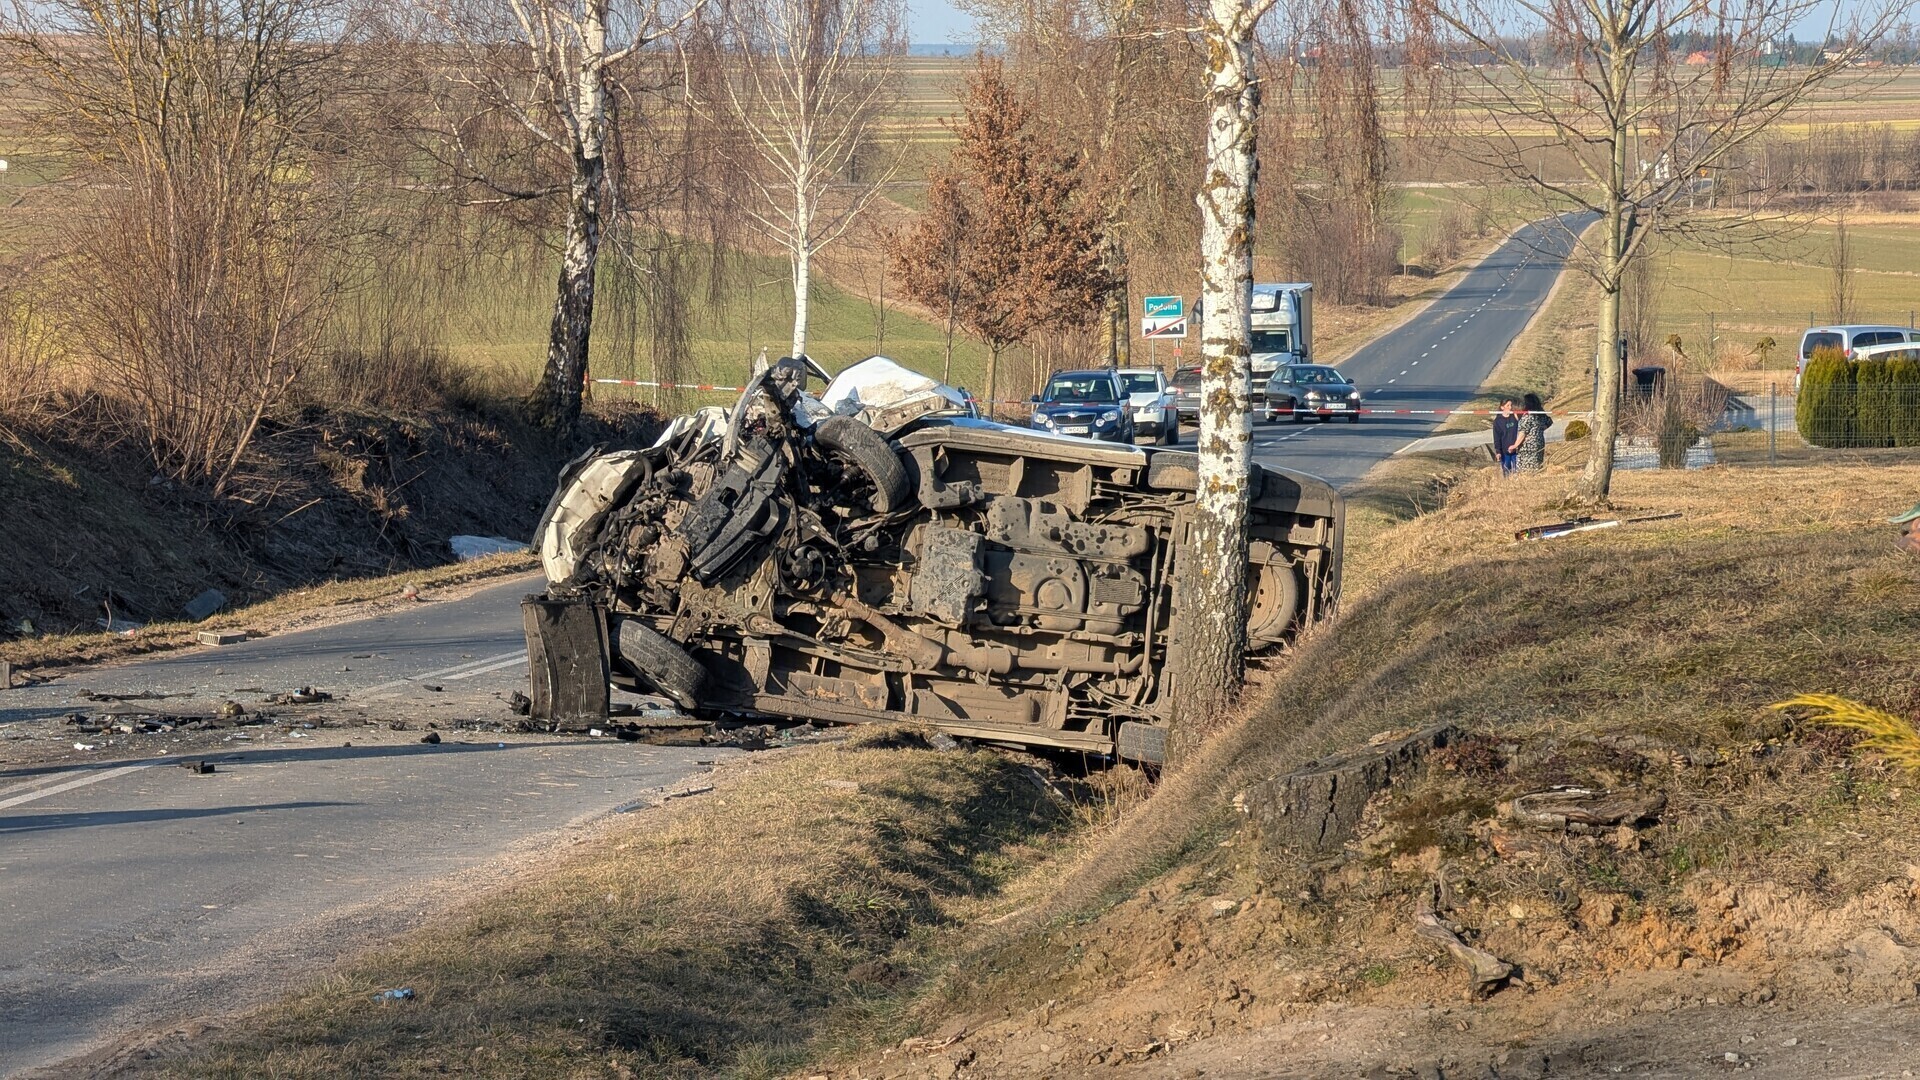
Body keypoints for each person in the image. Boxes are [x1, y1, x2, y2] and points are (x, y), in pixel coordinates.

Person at [1517, 392, 1549, 472]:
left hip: (1527, 446)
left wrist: (1515, 445)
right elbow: (1549, 422)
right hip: (1539, 442)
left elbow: (1523, 432)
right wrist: (1538, 430)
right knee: (1537, 465)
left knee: (1526, 469)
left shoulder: (1527, 416)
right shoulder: (1541, 414)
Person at [1491, 399, 1520, 475]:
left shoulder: (1515, 417)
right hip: (1505, 451)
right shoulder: (1498, 421)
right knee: (1506, 472)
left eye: (1511, 405)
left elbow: (1521, 430)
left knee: (1516, 472)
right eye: (1508, 405)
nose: (1510, 407)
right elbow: (1496, 437)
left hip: (1516, 450)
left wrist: (1517, 417)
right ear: (1502, 407)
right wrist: (1498, 451)